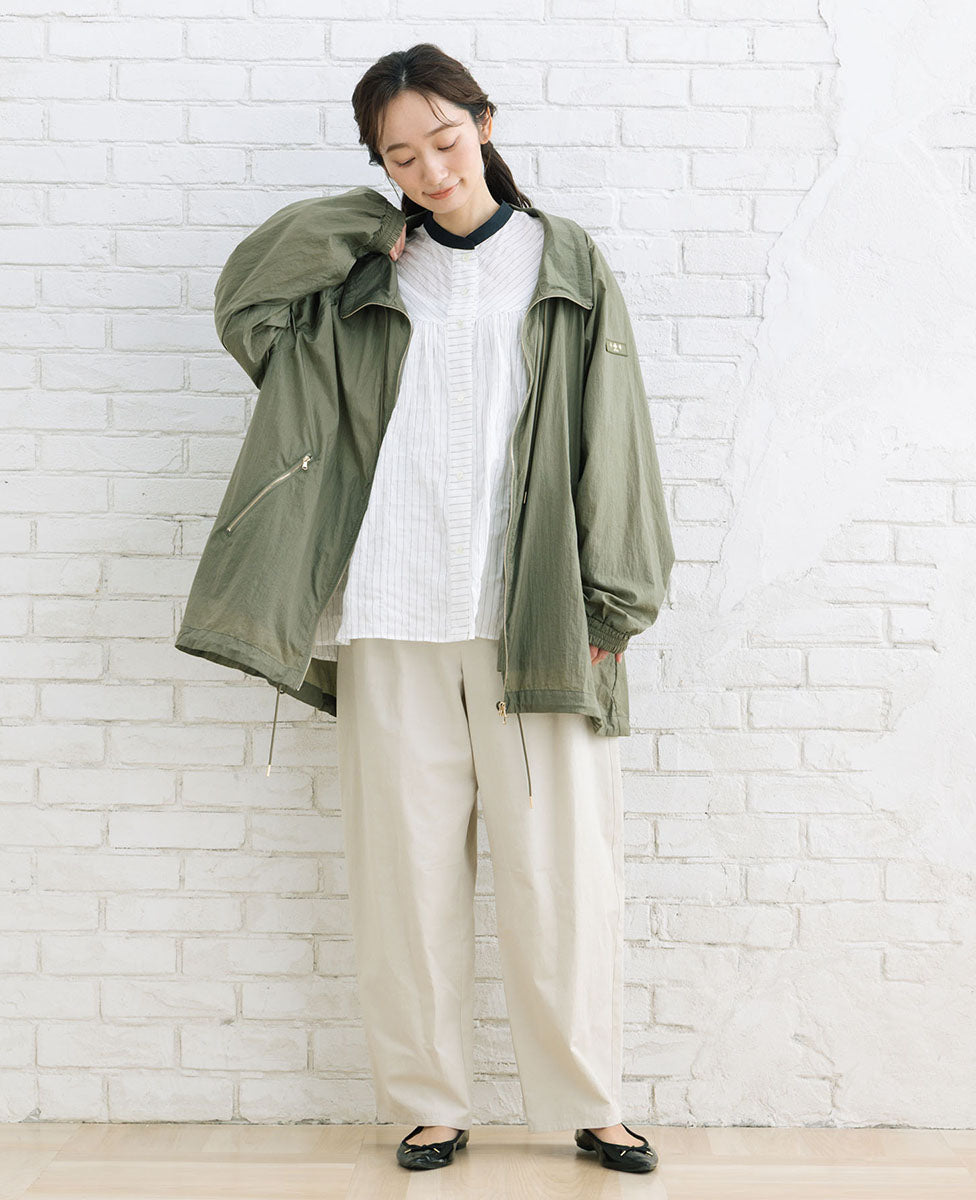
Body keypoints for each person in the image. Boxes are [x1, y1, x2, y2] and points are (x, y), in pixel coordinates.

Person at [176, 41, 672, 1176]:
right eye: (400, 157)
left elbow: (617, 430)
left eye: (444, 141)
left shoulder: (565, 261)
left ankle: (590, 1100)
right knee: (404, 876)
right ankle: (430, 1103)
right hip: (391, 609)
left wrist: (615, 606)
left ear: (484, 125)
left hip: (530, 618)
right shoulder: (363, 277)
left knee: (562, 874)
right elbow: (245, 301)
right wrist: (363, 222)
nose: (433, 170)